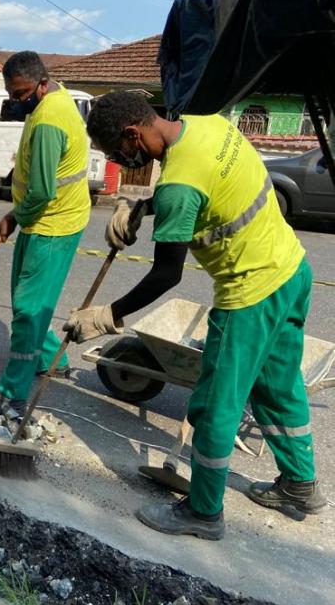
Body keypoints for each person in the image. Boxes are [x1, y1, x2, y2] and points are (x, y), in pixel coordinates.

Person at [67, 91, 326, 540]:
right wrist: (141, 207)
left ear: (133, 132)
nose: (123, 161)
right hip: (291, 272)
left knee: (214, 406)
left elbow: (166, 274)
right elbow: (209, 190)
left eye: (119, 152)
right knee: (278, 388)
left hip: (250, 296)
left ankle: (203, 513)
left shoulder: (177, 189)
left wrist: (107, 316)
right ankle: (300, 485)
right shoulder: (208, 122)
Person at [0, 51, 92, 416]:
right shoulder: (56, 99)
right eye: (11, 95)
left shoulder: (50, 118)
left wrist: (13, 216)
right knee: (35, 300)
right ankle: (50, 357)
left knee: (27, 311)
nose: (16, 102)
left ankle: (13, 395)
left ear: (42, 84)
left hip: (50, 225)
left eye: (21, 95)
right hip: (52, 221)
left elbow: (42, 191)